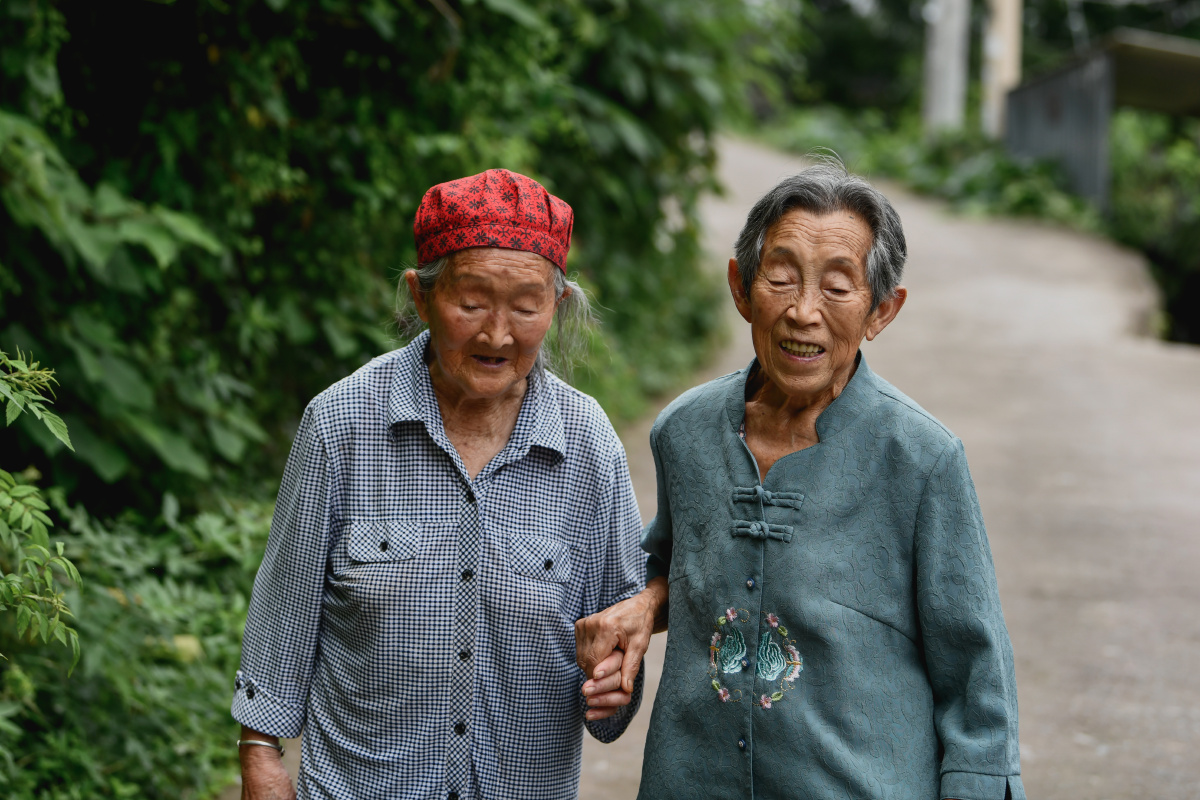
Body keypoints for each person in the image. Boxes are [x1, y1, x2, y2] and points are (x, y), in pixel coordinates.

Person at [575, 160, 1024, 800]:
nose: (802, 312)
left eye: (838, 288)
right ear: (740, 287)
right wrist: (645, 605)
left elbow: (977, 675)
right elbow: (684, 561)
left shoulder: (922, 460)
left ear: (882, 310)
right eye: (780, 279)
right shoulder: (686, 433)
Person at [233, 169, 645, 800]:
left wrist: (614, 679)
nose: (497, 333)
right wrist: (261, 755)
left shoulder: (588, 446)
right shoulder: (342, 425)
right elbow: (283, 608)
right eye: (472, 302)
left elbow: (619, 657)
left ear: (557, 308)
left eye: (526, 306)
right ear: (420, 297)